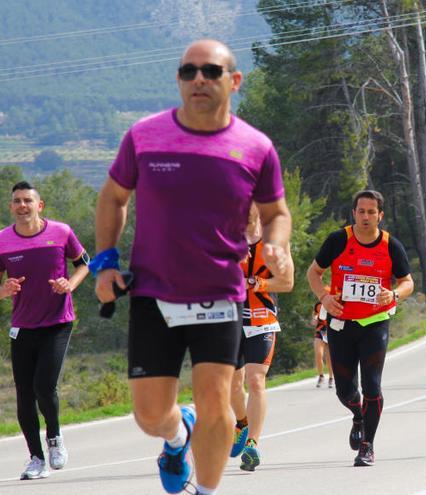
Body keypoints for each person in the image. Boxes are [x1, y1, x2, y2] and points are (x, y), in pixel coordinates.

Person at [94, 39, 292, 495]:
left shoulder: (255, 147)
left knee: (217, 400)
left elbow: (277, 212)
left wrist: (278, 245)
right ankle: (177, 435)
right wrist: (105, 262)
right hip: (153, 293)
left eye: (210, 71)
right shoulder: (145, 136)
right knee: (148, 414)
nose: (198, 79)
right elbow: (113, 197)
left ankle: (205, 490)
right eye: (188, 72)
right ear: (179, 80)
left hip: (219, 292)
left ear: (234, 81)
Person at [0, 181, 89, 481]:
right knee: (23, 394)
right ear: (11, 207)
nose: (22, 206)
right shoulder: (0, 241)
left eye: (28, 200)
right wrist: (2, 291)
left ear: (39, 205)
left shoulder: (61, 232)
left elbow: (83, 263)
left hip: (58, 322)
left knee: (44, 385)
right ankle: (35, 458)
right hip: (22, 326)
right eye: (17, 201)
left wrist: (70, 284)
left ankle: (54, 438)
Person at [306, 190, 414, 467]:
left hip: (375, 323)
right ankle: (358, 415)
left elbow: (407, 282)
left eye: (371, 211)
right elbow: (313, 273)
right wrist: (325, 298)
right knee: (344, 390)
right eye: (361, 211)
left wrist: (395, 295)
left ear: (380, 215)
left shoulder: (391, 245)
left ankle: (367, 445)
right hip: (341, 323)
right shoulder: (338, 240)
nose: (366, 216)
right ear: (354, 213)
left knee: (372, 385)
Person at [228, 205, 294, 472]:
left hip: (261, 319)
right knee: (232, 385)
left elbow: (287, 282)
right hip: (230, 319)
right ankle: (242, 423)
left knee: (256, 381)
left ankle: (252, 444)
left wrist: (258, 284)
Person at [311, 302, 333, 388]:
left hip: (330, 333)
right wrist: (314, 319)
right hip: (320, 333)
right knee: (318, 354)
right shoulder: (318, 306)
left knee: (329, 357)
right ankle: (321, 376)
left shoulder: (332, 304)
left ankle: (331, 378)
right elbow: (314, 320)